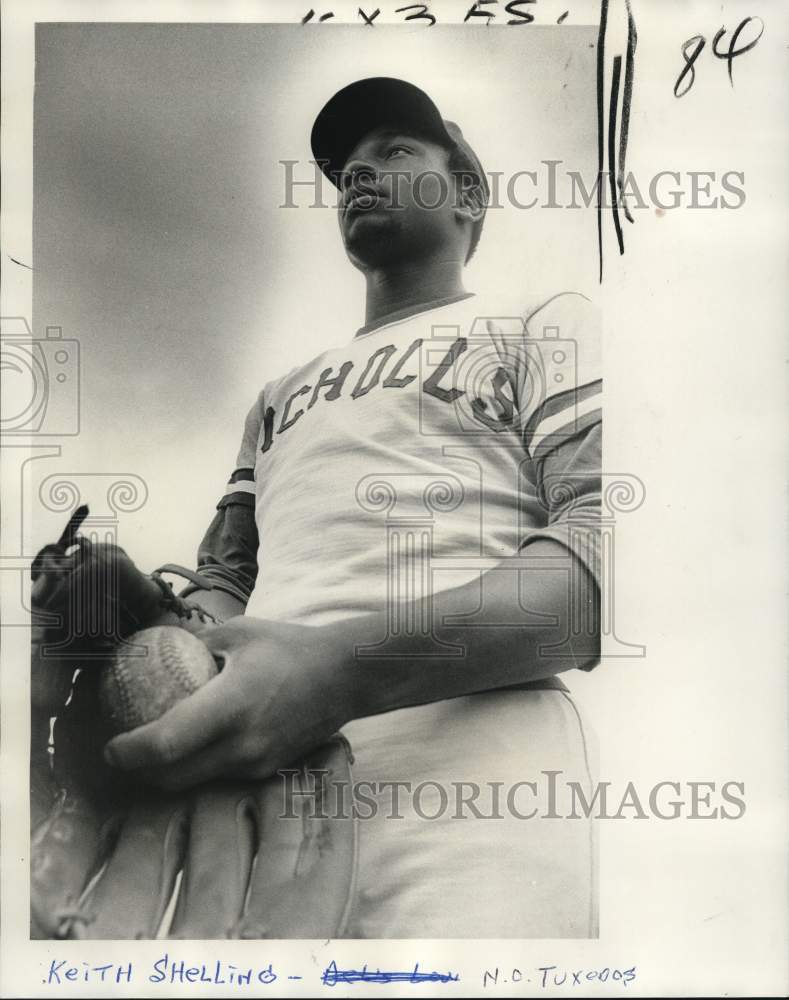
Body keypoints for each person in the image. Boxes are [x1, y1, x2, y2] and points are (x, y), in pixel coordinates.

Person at [104, 77, 603, 937]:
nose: (359, 176)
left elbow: (603, 561)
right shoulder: (277, 395)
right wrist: (141, 623)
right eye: (345, 171)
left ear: (470, 191)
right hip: (260, 798)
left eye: (395, 151)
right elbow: (229, 581)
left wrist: (339, 670)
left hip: (474, 784)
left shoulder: (537, 323)